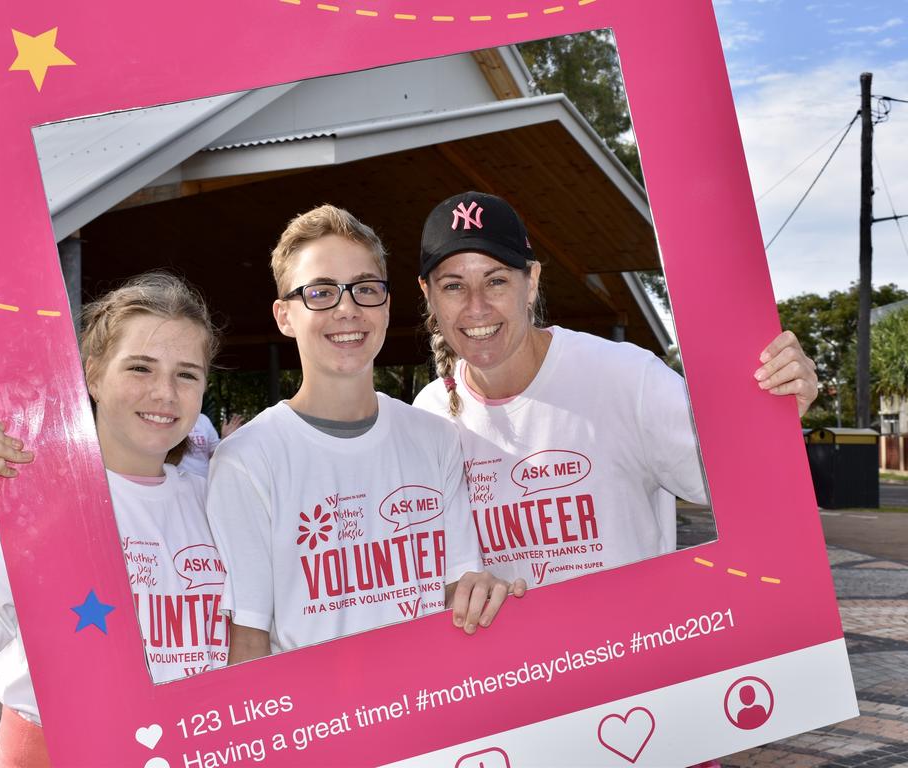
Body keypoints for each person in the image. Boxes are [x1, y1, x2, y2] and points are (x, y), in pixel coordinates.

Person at [414, 191, 819, 588]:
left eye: (496, 280)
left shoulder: (627, 378)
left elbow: (742, 480)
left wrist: (775, 410)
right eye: (453, 286)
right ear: (428, 295)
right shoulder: (429, 415)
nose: (477, 306)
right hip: (513, 658)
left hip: (634, 650)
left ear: (532, 281)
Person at [0, 272, 228, 767]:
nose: (165, 392)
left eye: (187, 373)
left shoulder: (219, 502)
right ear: (94, 374)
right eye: (140, 368)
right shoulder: (34, 500)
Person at [206, 204, 525, 664]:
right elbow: (249, 644)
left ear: (387, 304)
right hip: (322, 728)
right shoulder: (247, 459)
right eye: (319, 292)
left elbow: (461, 591)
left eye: (365, 289)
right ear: (284, 316)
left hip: (432, 713)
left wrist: (487, 595)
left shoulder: (436, 439)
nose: (347, 309)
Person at [177, 412, 244, 477]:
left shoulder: (203, 419)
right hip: (177, 480)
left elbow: (215, 455)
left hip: (204, 480)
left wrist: (225, 438)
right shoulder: (172, 418)